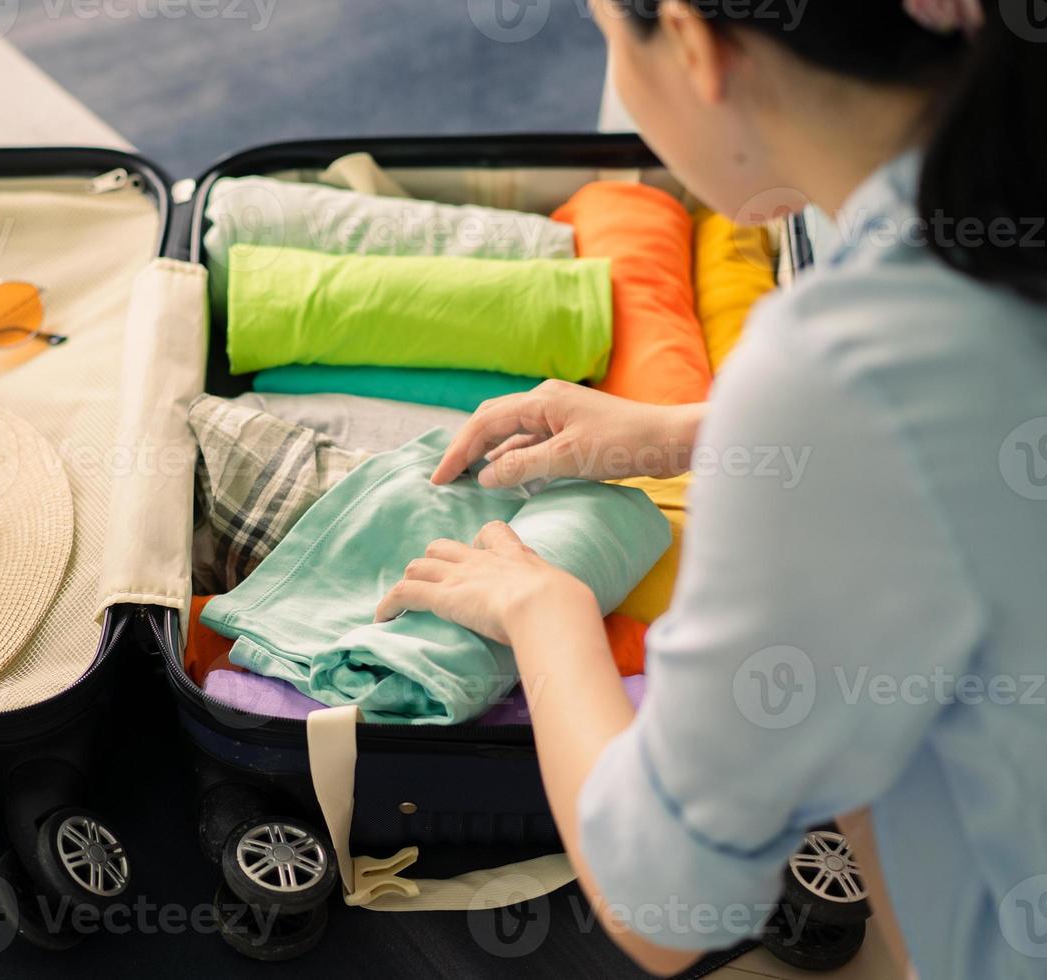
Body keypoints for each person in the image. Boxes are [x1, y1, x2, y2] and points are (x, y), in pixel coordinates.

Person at [373, 1, 1047, 976]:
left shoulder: (842, 367)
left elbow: (663, 896)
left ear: (692, 43)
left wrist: (544, 606)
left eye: (608, 31)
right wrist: (694, 431)